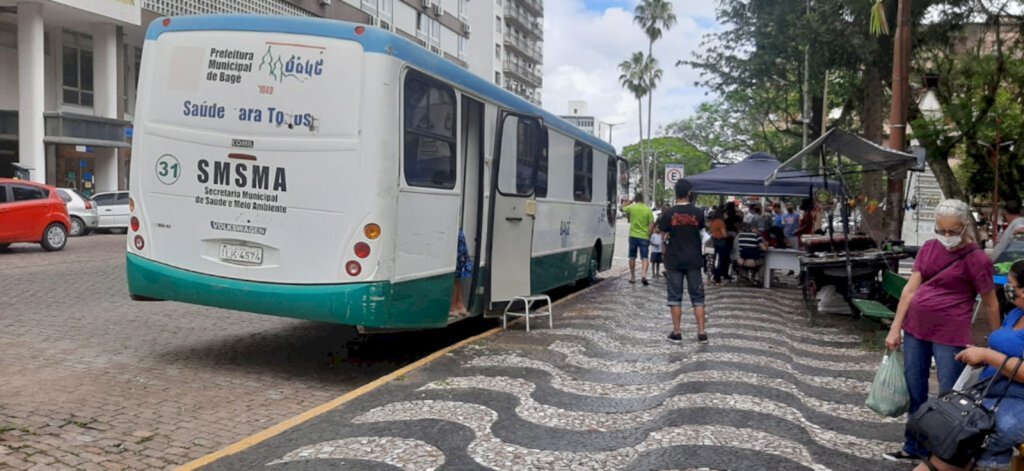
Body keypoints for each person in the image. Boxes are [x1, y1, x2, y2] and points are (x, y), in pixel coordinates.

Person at [883, 199, 1002, 463]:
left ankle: (943, 454)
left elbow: (992, 304)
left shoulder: (977, 259)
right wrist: (895, 329)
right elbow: (909, 290)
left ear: (964, 228)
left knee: (950, 397)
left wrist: (997, 345)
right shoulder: (928, 248)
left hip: (951, 333)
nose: (946, 236)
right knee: (916, 388)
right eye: (941, 230)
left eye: (952, 231)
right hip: (915, 328)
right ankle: (913, 446)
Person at [911, 259, 1024, 471]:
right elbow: (1007, 349)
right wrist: (980, 355)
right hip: (990, 391)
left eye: (1012, 285)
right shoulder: (1017, 312)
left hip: (1014, 401)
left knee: (963, 436)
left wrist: (987, 355)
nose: (1007, 290)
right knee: (947, 425)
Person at [658, 178, 708, 344]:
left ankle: (677, 332)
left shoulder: (668, 213)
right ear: (689, 193)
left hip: (674, 260)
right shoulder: (699, 213)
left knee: (674, 297)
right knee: (698, 298)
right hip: (694, 260)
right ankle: (701, 333)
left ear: (676, 193)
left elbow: (662, 235)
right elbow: (701, 232)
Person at [621, 193, 655, 286]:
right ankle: (643, 275)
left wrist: (629, 202)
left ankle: (633, 277)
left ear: (635, 199)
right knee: (644, 257)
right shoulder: (648, 210)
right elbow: (652, 224)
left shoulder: (632, 208)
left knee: (632, 257)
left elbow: (621, 208)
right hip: (644, 236)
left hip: (633, 236)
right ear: (643, 199)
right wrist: (649, 234)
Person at [450, 228, 472, 315]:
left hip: (454, 237)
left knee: (455, 278)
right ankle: (460, 304)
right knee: (457, 278)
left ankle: (453, 307)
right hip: (459, 236)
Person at [709, 208, 731, 284]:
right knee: (723, 260)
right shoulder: (721, 222)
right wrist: (729, 235)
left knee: (715, 260)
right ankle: (717, 276)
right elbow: (724, 234)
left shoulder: (713, 221)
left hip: (714, 241)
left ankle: (716, 276)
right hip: (722, 242)